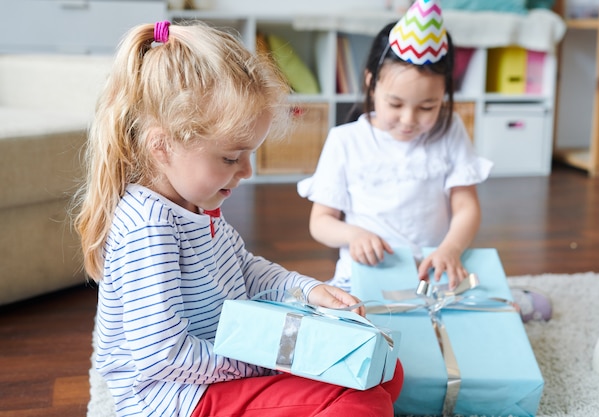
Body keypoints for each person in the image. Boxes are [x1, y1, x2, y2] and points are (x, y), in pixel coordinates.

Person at [73, 20, 402, 417]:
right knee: (360, 401)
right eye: (231, 158)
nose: (246, 171)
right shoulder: (148, 227)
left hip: (222, 363)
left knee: (382, 369)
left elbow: (243, 270)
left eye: (250, 155)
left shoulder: (198, 202)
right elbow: (165, 356)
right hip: (177, 397)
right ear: (162, 145)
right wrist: (269, 362)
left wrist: (309, 290)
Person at [298, 1, 492, 293]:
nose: (408, 120)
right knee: (351, 318)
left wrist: (451, 248)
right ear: (371, 84)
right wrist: (354, 235)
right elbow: (321, 222)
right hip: (369, 271)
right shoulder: (345, 140)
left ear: (444, 94)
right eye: (395, 104)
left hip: (435, 268)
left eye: (428, 106)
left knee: (477, 311)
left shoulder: (450, 130)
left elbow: (466, 207)